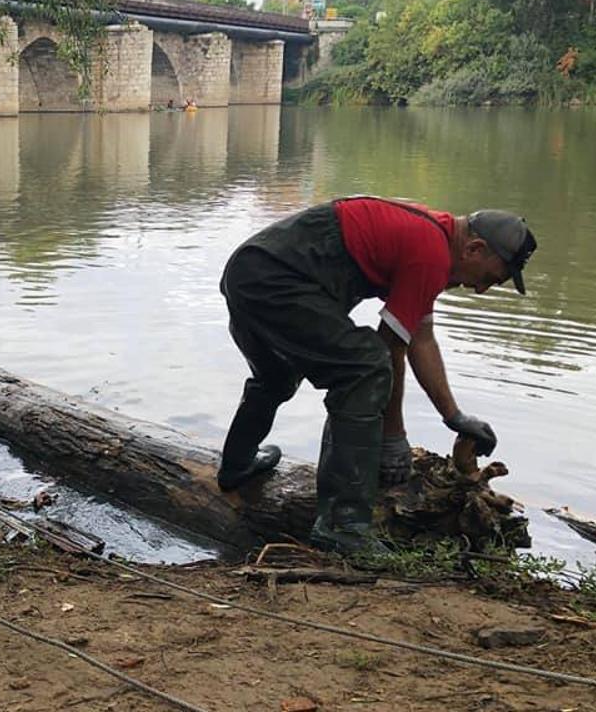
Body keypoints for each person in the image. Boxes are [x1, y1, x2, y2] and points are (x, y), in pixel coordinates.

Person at [216, 197, 537, 555]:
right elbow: (390, 349)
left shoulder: (434, 240)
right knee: (363, 369)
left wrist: (454, 416)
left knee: (278, 377)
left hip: (249, 271)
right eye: (491, 279)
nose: (481, 290)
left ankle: (238, 465)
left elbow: (420, 337)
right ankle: (343, 526)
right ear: (475, 249)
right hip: (274, 279)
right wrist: (393, 436)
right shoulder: (430, 252)